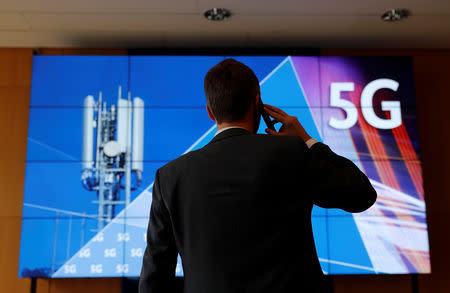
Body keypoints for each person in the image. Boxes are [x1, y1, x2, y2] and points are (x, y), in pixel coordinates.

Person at [139, 59, 377, 293]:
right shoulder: (292, 153)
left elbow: (155, 276)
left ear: (210, 112)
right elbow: (361, 194)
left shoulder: (170, 177)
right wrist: (307, 140)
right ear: (257, 103)